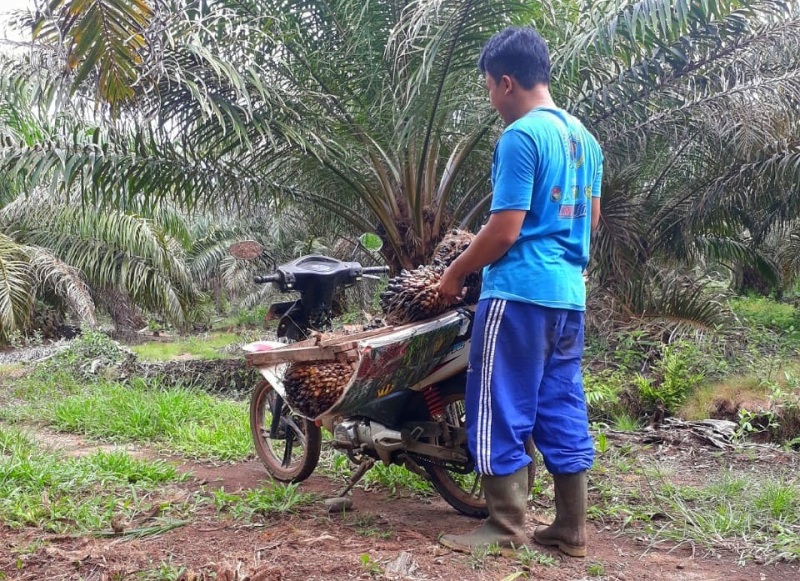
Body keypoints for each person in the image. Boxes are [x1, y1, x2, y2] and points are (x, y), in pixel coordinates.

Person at [437, 26, 603, 558]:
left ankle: (505, 527)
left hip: (518, 295)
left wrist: (455, 272)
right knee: (560, 403)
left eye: (489, 87)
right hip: (567, 298)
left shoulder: (521, 137)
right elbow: (591, 219)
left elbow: (505, 229)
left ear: (506, 82)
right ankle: (570, 529)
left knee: (499, 402)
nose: (491, 99)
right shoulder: (584, 139)